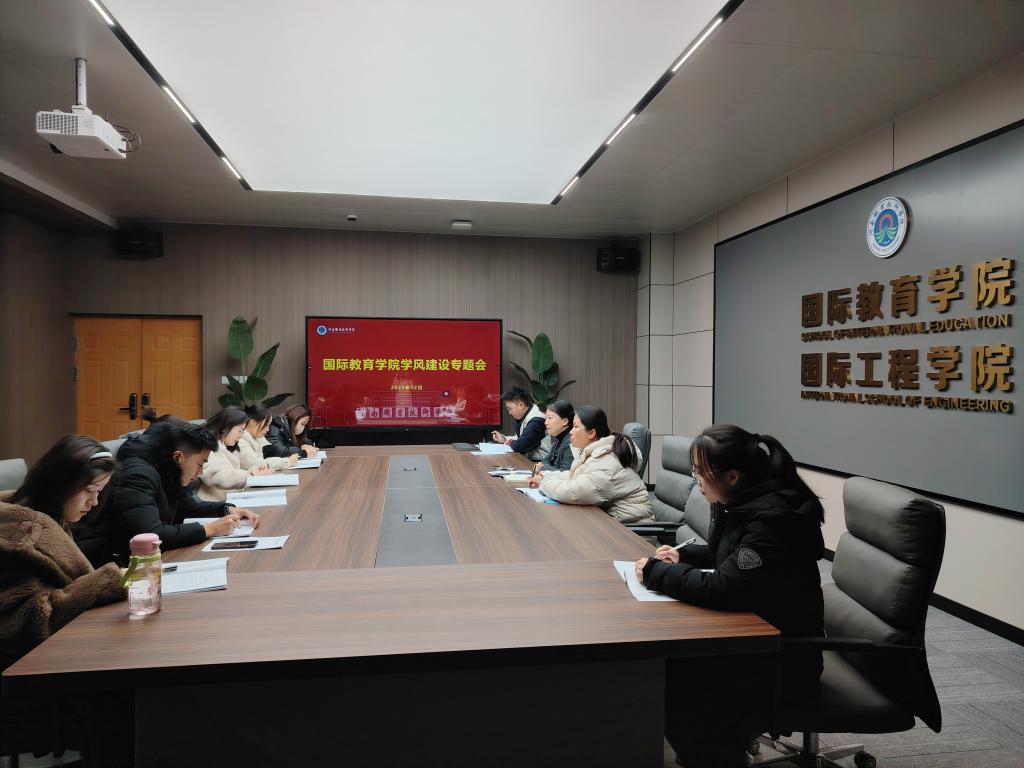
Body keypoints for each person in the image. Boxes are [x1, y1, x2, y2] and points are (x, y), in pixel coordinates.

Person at [634, 424, 825, 768]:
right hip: (754, 639)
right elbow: (730, 557)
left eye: (700, 472)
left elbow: (725, 588)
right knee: (668, 670)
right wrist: (683, 556)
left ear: (733, 477)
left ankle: (715, 754)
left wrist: (656, 573)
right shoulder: (746, 504)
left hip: (782, 658)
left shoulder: (771, 521)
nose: (695, 480)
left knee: (674, 681)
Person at [1, 436, 131, 767]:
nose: (94, 502)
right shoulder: (22, 533)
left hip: (45, 661)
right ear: (62, 483)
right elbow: (26, 622)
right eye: (89, 491)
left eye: (99, 492)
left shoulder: (46, 518)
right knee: (126, 690)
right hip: (20, 677)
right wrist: (104, 583)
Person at [73, 421, 260, 567]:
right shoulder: (138, 475)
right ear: (179, 457)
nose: (200, 472)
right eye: (200, 464)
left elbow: (188, 506)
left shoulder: (166, 470)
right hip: (107, 564)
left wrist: (226, 509)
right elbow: (150, 535)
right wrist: (208, 530)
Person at [536, 406, 653, 523]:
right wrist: (545, 476)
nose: (571, 432)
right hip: (611, 521)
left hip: (631, 529)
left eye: (575, 427)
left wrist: (543, 482)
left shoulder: (608, 462)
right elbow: (575, 476)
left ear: (591, 433)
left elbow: (571, 492)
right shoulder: (597, 453)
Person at [197, 407, 275, 502]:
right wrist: (251, 475)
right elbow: (221, 476)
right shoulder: (207, 448)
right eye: (239, 431)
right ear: (226, 427)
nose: (241, 435)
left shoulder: (227, 447)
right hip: (213, 503)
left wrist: (252, 471)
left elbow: (232, 473)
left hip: (228, 500)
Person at [490, 387, 550, 462]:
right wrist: (504, 439)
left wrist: (506, 441)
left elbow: (519, 446)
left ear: (521, 405)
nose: (509, 413)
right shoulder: (528, 413)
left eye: (510, 409)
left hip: (538, 462)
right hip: (528, 459)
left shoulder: (536, 421)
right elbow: (521, 439)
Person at [239, 404, 298, 472]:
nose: (268, 429)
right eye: (266, 425)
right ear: (253, 422)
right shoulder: (240, 440)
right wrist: (287, 461)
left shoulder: (256, 438)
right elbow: (256, 464)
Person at [534, 399, 574, 473]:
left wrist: (542, 468)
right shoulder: (558, 438)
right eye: (546, 418)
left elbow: (564, 474)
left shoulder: (571, 442)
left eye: (550, 418)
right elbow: (545, 460)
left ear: (565, 421)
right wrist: (545, 467)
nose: (546, 422)